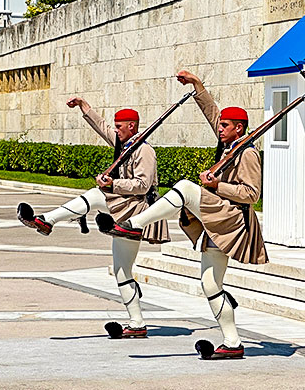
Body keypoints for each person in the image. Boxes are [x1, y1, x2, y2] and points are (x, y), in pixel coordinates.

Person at [95, 71, 268, 359]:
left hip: (233, 219)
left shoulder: (247, 153)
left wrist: (217, 185)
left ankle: (134, 224)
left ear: (239, 128)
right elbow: (212, 112)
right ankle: (233, 342)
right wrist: (198, 86)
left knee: (186, 188)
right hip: (218, 219)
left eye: (225, 126)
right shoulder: (229, 144)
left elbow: (252, 194)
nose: (219, 128)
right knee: (210, 285)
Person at [17, 97, 169, 338]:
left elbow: (142, 185)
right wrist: (83, 106)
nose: (115, 130)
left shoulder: (144, 150)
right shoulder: (124, 144)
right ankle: (137, 323)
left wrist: (112, 183)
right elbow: (102, 127)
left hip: (139, 210)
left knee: (97, 194)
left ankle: (47, 221)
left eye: (120, 126)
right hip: (124, 205)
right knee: (122, 271)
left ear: (132, 126)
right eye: (116, 126)